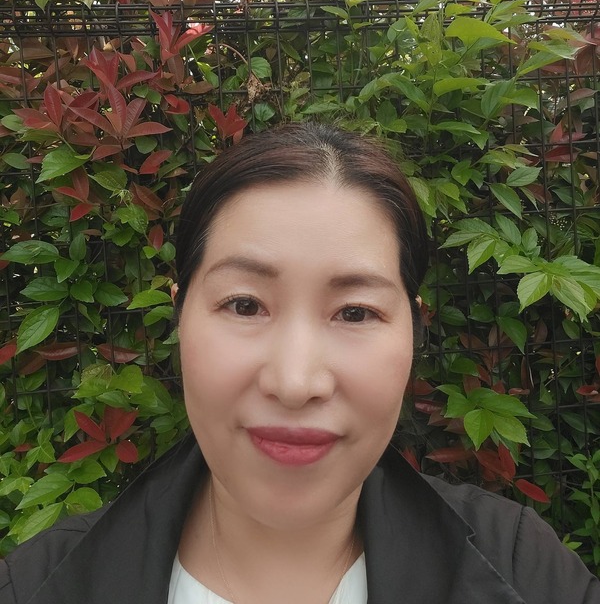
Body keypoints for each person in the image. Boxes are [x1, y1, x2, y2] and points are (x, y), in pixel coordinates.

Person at [0, 122, 598, 604]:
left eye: (355, 312)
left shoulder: (524, 570)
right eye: (244, 304)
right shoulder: (34, 586)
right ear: (179, 318)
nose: (294, 383)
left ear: (415, 331)